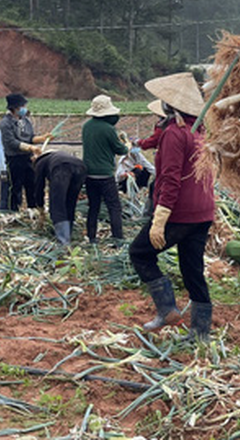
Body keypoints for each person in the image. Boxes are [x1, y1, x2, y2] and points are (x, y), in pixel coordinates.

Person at [129, 72, 215, 342]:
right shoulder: (199, 132)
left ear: (171, 105)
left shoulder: (174, 134)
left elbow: (170, 179)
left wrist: (160, 217)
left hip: (181, 214)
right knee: (192, 269)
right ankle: (200, 332)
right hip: (203, 213)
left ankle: (167, 309)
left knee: (140, 253)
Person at [82, 95, 128, 243]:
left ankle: (91, 237)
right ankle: (117, 238)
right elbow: (120, 150)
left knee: (93, 207)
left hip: (89, 174)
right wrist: (127, 145)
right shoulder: (108, 129)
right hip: (105, 175)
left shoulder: (86, 127)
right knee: (114, 207)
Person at [0, 94, 51, 211]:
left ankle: (33, 209)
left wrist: (42, 138)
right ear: (15, 108)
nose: (24, 108)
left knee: (31, 185)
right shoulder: (6, 123)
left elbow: (29, 137)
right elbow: (11, 142)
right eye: (22, 106)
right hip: (14, 159)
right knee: (15, 187)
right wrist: (30, 148)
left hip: (27, 159)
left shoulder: (24, 121)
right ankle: (14, 211)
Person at [33, 150, 87, 246]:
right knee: (70, 203)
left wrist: (40, 207)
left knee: (57, 204)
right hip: (80, 167)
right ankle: (68, 234)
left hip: (62, 169)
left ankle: (63, 241)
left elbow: (38, 187)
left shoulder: (40, 163)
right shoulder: (55, 156)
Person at [0, 130, 9, 211]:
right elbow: (0, 151)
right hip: (5, 169)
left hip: (15, 168)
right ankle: (3, 210)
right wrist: (4, 167)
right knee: (5, 192)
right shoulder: (1, 133)